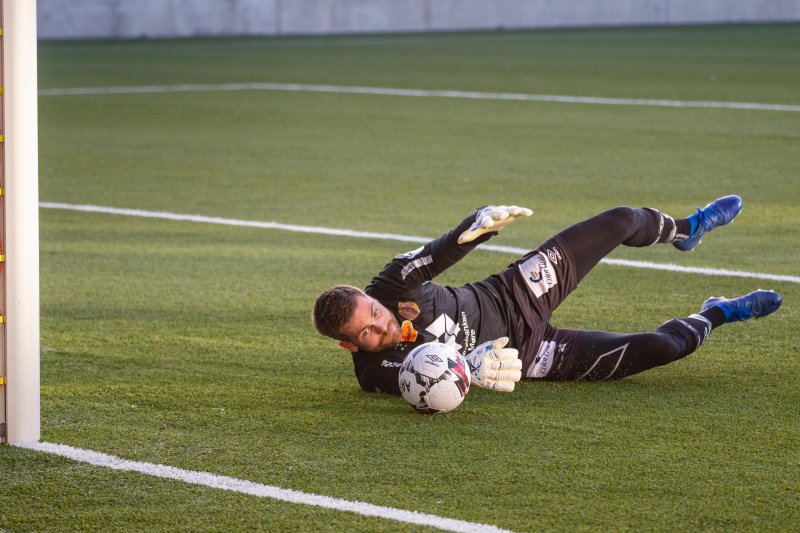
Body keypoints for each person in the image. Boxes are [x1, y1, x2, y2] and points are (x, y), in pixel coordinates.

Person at [312, 196, 782, 394]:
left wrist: (473, 228)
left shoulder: (392, 285)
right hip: (533, 355)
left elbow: (436, 254)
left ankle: (686, 229)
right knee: (664, 347)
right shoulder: (372, 371)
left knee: (620, 219)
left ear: (370, 297)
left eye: (374, 312)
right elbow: (419, 380)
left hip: (514, 292)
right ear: (349, 345)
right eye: (367, 332)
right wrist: (466, 369)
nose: (381, 325)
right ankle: (718, 313)